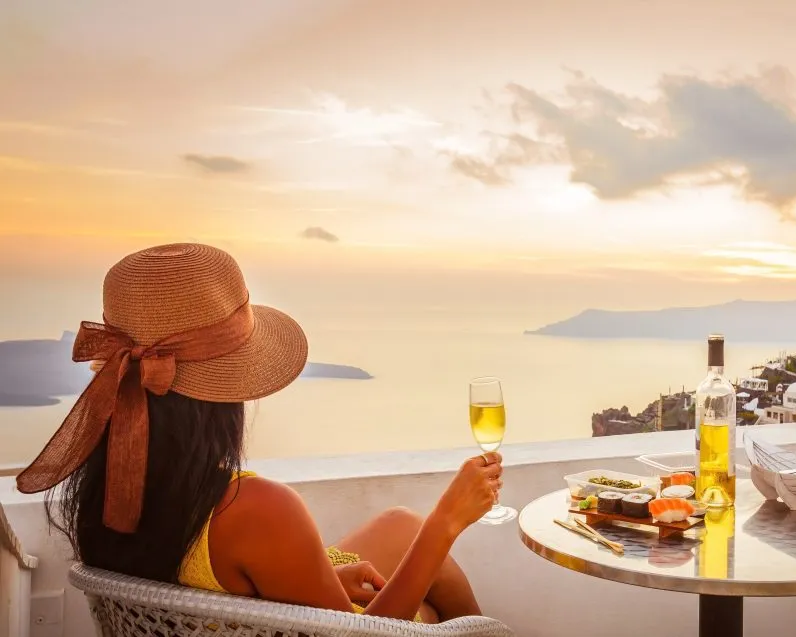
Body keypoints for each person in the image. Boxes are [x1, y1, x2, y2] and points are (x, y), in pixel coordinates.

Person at [17, 243, 504, 624]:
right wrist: (448, 521)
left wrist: (323, 580)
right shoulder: (254, 508)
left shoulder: (105, 489)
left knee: (401, 524)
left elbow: (207, 584)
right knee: (427, 606)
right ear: (223, 393)